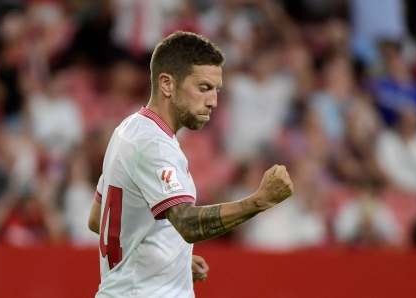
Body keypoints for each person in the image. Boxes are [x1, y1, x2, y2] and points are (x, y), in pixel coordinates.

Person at [87, 31, 294, 297]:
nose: (213, 101)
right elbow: (188, 224)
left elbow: (97, 220)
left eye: (216, 90)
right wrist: (259, 201)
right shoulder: (154, 145)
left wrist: (173, 260)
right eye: (204, 88)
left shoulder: (127, 130)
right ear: (167, 84)